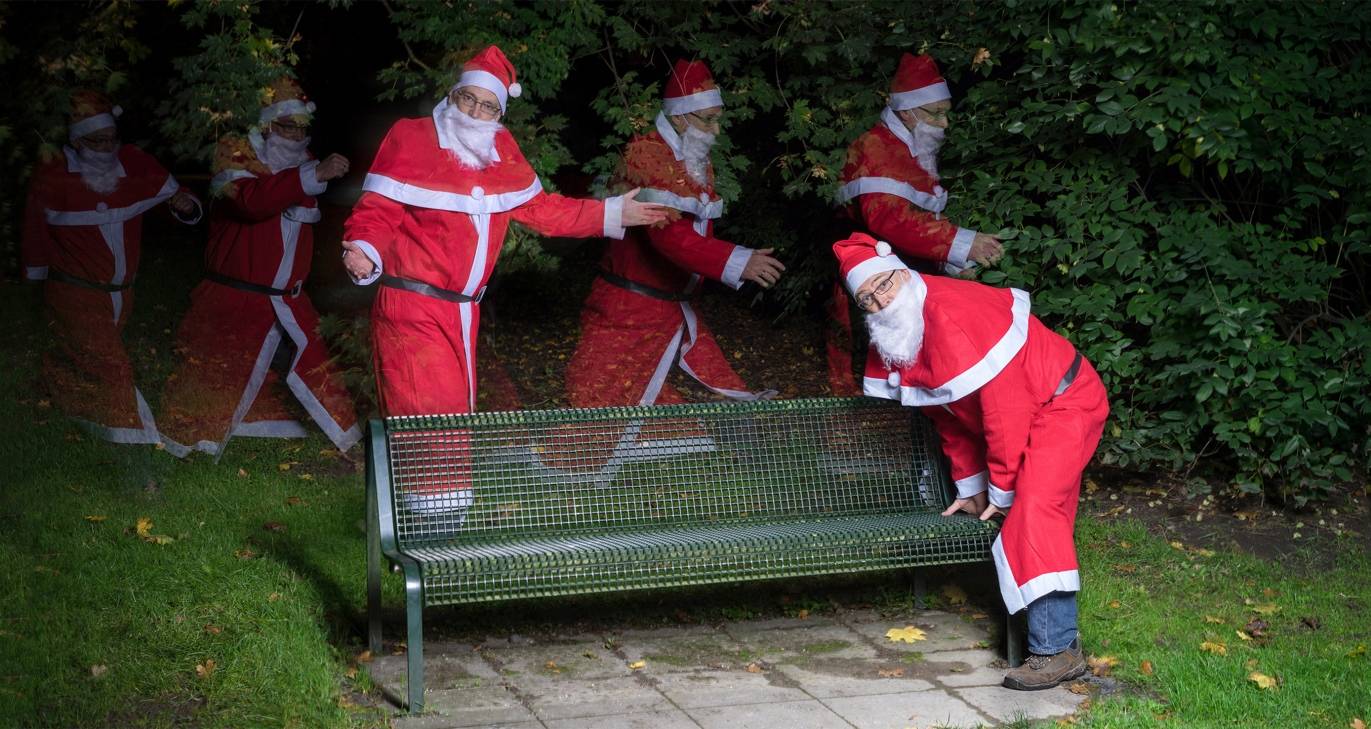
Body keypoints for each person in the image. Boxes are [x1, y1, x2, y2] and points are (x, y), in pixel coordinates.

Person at [832, 231, 1109, 691]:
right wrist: (969, 485)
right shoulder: (902, 331)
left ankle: (1058, 648)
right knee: (1030, 506)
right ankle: (1052, 640)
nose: (880, 303)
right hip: (1018, 414)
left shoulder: (956, 312)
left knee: (1035, 505)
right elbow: (948, 414)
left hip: (1064, 401)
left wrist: (1001, 490)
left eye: (885, 286)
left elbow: (1005, 414)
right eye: (867, 299)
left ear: (904, 272)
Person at [340, 45, 668, 419]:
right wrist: (365, 249)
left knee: (451, 416)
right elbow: (379, 208)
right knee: (428, 420)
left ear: (499, 113)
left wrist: (612, 212)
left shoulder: (501, 150)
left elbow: (543, 211)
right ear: (452, 96)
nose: (475, 112)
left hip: (462, 310)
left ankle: (433, 480)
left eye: (488, 106)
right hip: (413, 306)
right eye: (468, 99)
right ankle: (430, 480)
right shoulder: (412, 137)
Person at [159, 77, 359, 458]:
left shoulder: (304, 162)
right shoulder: (233, 154)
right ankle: (194, 445)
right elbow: (250, 203)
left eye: (303, 127)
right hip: (237, 297)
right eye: (289, 126)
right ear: (265, 125)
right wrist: (312, 177)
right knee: (214, 377)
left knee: (319, 370)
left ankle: (349, 446)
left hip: (290, 300)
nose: (298, 136)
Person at [565, 59, 784, 408]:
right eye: (708, 119)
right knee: (598, 407)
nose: (716, 130)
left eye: (718, 119)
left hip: (666, 305)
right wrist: (737, 260)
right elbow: (669, 237)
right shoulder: (648, 157)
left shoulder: (694, 157)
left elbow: (696, 229)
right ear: (681, 117)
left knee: (649, 399)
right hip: (630, 308)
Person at [21, 90, 201, 444]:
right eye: (96, 141)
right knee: (113, 367)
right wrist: (36, 278)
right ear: (77, 141)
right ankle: (135, 447)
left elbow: (182, 199)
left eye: (111, 139)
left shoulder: (134, 162)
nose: (106, 148)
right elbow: (34, 231)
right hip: (75, 292)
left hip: (122, 294)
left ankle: (69, 409)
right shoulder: (54, 173)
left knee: (89, 361)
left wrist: (184, 205)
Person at [825, 53, 1004, 396]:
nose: (944, 124)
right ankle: (856, 412)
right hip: (865, 267)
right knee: (870, 346)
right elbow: (890, 219)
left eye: (945, 113)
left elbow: (923, 218)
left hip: (900, 263)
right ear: (907, 112)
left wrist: (953, 263)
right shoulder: (875, 147)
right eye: (936, 114)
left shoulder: (913, 144)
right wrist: (965, 244)